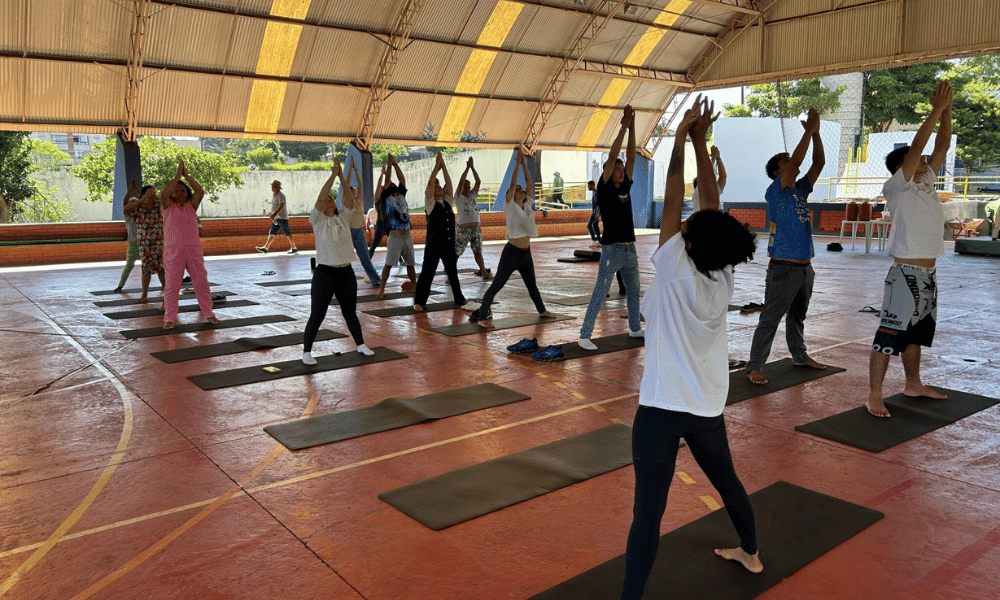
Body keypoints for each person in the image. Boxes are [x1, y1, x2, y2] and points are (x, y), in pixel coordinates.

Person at [620, 97, 761, 600]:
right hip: (705, 409)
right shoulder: (721, 273)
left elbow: (682, 195)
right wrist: (701, 143)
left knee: (646, 517)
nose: (680, 225)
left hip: (660, 410)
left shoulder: (675, 263)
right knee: (727, 482)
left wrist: (681, 139)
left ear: (689, 240)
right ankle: (750, 550)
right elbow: (708, 202)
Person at [865, 81, 953, 418]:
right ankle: (874, 394)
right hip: (905, 275)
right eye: (914, 159)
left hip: (928, 274)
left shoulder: (926, 181)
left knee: (916, 334)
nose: (925, 159)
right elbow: (919, 144)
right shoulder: (897, 186)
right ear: (902, 166)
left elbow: (941, 144)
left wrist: (947, 110)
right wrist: (934, 110)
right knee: (888, 334)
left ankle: (913, 383)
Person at [745, 107, 827, 385]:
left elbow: (818, 163)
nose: (792, 161)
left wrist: (815, 135)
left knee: (797, 317)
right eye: (785, 160)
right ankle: (754, 365)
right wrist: (806, 132)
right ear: (777, 171)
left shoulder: (800, 189)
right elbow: (796, 164)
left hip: (805, 268)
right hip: (783, 268)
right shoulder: (775, 192)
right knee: (770, 318)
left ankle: (799, 355)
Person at [577, 105, 643, 351]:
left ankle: (635, 328)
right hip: (612, 250)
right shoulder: (605, 188)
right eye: (616, 167)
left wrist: (634, 125)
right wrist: (623, 127)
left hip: (630, 250)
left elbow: (632, 156)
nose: (620, 169)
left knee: (635, 293)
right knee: (599, 292)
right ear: (608, 169)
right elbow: (616, 153)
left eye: (621, 168)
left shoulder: (625, 185)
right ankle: (585, 335)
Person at [468, 149, 555, 326]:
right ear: (510, 195)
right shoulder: (509, 206)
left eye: (521, 190)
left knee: (532, 286)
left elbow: (529, 182)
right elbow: (514, 181)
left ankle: (542, 310)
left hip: (525, 253)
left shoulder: (528, 205)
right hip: (511, 253)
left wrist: (524, 163)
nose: (521, 189)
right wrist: (517, 164)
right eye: (517, 190)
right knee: (496, 286)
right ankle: (483, 317)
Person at [302, 158, 374, 365]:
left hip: (346, 273)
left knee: (350, 312)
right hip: (325, 274)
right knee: (317, 315)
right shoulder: (317, 220)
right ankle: (307, 351)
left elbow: (350, 199)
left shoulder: (344, 217)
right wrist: (332, 175)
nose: (330, 200)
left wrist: (342, 175)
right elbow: (320, 197)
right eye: (328, 200)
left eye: (333, 198)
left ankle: (360, 344)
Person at [159, 160, 218, 329]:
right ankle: (169, 317)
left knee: (201, 282)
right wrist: (177, 176)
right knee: (172, 285)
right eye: (176, 191)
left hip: (193, 250)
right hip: (173, 251)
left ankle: (209, 313)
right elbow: (163, 195)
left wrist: (186, 176)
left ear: (187, 193)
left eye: (182, 190)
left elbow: (200, 191)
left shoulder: (191, 206)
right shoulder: (167, 206)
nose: (179, 193)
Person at [413, 152, 467, 311]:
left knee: (453, 273)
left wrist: (443, 165)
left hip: (448, 244)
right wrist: (437, 165)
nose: (438, 187)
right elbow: (430, 183)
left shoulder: (447, 203)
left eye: (439, 186)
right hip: (433, 245)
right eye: (435, 186)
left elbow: (449, 182)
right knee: (427, 274)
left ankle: (459, 298)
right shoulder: (430, 204)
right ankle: (420, 301)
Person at [375, 154, 417, 298]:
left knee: (411, 263)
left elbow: (402, 179)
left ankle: (415, 286)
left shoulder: (401, 194)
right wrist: (388, 165)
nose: (393, 184)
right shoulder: (386, 197)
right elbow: (387, 181)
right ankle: (382, 289)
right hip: (395, 236)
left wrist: (395, 164)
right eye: (391, 184)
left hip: (407, 235)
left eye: (394, 184)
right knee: (389, 264)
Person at [342, 157, 381, 288]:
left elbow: (361, 186)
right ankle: (339, 282)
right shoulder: (345, 200)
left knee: (364, 257)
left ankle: (375, 279)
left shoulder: (358, 201)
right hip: (347, 232)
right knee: (343, 259)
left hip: (358, 232)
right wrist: (349, 170)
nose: (352, 192)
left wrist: (356, 170)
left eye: (353, 191)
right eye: (350, 191)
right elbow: (345, 183)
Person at [454, 157, 493, 280]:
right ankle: (451, 275)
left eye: (468, 186)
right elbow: (460, 182)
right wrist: (466, 169)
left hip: (476, 229)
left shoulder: (473, 195)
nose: (467, 188)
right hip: (463, 229)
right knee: (456, 253)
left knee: (478, 252)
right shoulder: (458, 197)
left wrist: (472, 168)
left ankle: (483, 272)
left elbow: (478, 181)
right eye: (464, 186)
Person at [130, 184, 165, 303]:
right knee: (145, 268)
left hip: (160, 242)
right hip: (144, 244)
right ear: (143, 194)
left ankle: (168, 294)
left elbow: (168, 205)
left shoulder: (159, 205)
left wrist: (158, 198)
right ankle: (144, 294)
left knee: (162, 268)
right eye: (149, 193)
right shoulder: (138, 206)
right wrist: (142, 199)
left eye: (153, 193)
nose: (152, 195)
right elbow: (126, 209)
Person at [114, 179, 143, 292]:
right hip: (133, 243)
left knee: (151, 265)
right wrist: (132, 189)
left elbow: (143, 199)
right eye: (130, 204)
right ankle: (120, 285)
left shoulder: (141, 213)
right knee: (129, 265)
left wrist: (136, 190)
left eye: (134, 204)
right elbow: (125, 201)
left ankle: (164, 285)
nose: (131, 206)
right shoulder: (127, 215)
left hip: (144, 242)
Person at [256, 180, 298, 254]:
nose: (271, 188)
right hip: (276, 218)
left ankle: (294, 248)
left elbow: (282, 206)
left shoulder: (281, 195)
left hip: (282, 218)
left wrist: (274, 214)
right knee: (272, 233)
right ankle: (266, 248)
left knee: (287, 233)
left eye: (273, 186)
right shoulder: (274, 195)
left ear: (277, 187)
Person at [691, 145, 728, 212]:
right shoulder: (698, 193)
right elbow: (706, 175)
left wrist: (718, 159)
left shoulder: (713, 190)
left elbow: (723, 176)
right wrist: (713, 157)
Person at [368, 167, 387, 258]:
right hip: (380, 224)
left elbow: (389, 185)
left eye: (383, 188)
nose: (381, 188)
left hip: (388, 223)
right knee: (374, 244)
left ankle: (401, 259)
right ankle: (368, 261)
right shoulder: (377, 200)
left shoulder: (387, 199)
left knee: (394, 242)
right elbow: (378, 185)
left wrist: (387, 174)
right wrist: (382, 174)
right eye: (381, 188)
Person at [586, 180, 601, 247]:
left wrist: (597, 213)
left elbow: (599, 204)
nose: (588, 187)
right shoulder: (594, 192)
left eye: (589, 186)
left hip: (596, 212)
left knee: (589, 225)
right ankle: (599, 241)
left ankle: (594, 240)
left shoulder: (597, 193)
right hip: (595, 211)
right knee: (595, 226)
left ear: (592, 185)